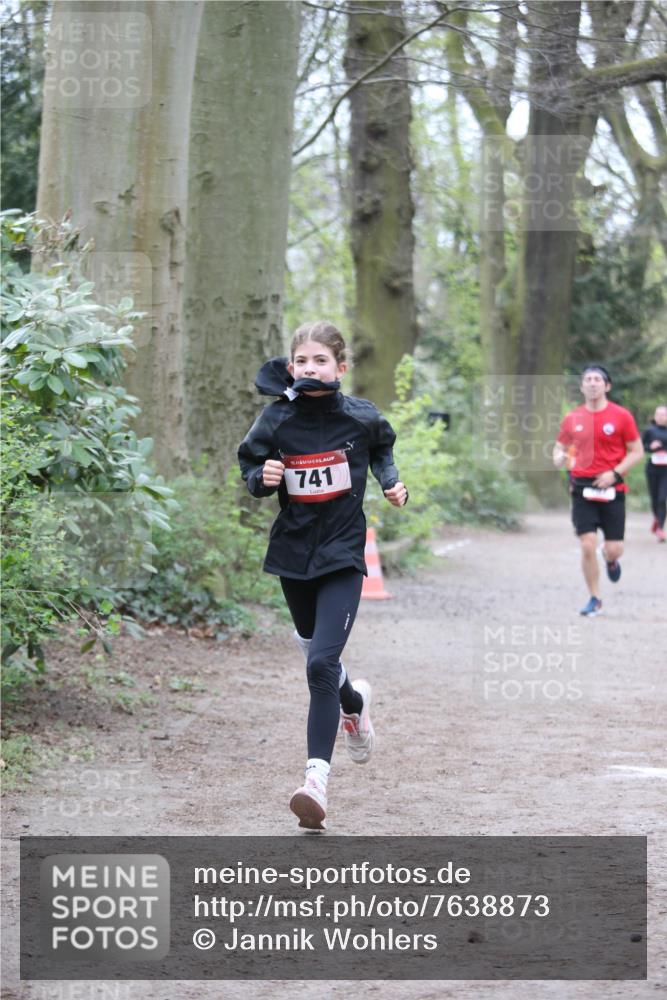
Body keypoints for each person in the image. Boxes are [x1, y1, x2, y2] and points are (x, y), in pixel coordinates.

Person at [237, 321, 408, 830]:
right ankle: (355, 704)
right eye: (303, 361)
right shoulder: (276, 419)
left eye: (321, 361)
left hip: (342, 554)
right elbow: (251, 467)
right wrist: (261, 478)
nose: (311, 368)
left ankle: (315, 781)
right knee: (316, 652)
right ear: (292, 367)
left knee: (319, 665)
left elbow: (382, 448)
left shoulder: (361, 417)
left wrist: (392, 483)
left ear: (341, 367)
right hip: (293, 554)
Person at [553, 365, 643, 616]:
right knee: (587, 544)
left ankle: (611, 559)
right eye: (588, 380)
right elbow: (559, 447)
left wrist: (614, 473)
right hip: (582, 488)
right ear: (582, 387)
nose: (592, 383)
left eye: (598, 379)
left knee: (613, 548)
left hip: (613, 488)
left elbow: (637, 451)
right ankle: (595, 598)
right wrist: (558, 457)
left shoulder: (622, 416)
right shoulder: (572, 418)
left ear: (607, 386)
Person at [642, 404, 667, 543]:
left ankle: (661, 528)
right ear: (655, 416)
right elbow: (640, 447)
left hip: (666, 471)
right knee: (654, 498)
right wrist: (650, 447)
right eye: (658, 414)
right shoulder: (649, 431)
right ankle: (658, 519)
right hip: (652, 469)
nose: (660, 417)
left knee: (662, 499)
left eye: (663, 414)